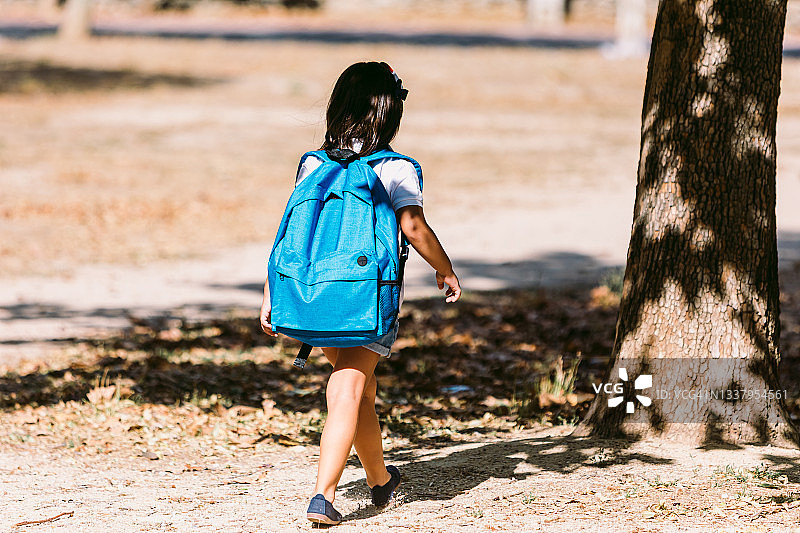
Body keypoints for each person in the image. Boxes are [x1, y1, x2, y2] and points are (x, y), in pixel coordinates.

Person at [260, 61, 461, 526]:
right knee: (349, 384)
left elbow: (290, 234)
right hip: (367, 297)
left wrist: (271, 291)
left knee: (361, 388)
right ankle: (323, 495)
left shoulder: (313, 164)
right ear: (390, 114)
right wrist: (444, 269)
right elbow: (412, 226)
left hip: (313, 293)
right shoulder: (395, 168)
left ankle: (380, 481)